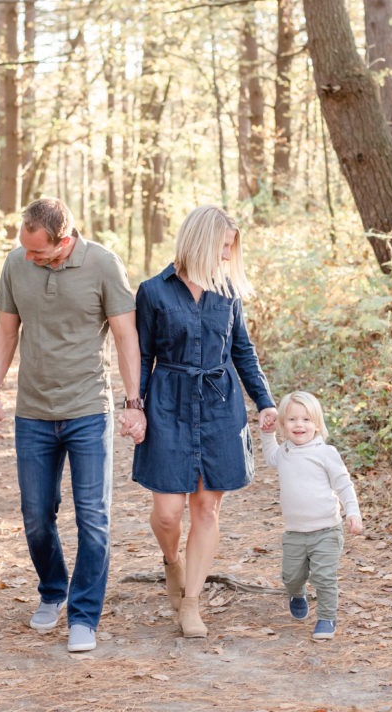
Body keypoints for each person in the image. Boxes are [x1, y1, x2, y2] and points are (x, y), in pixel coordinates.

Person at [0, 197, 145, 653]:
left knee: (93, 518)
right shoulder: (16, 263)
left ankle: (85, 616)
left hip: (88, 410)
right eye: (26, 250)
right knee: (36, 518)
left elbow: (127, 335)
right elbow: (6, 331)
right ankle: (54, 590)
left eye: (40, 253)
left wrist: (134, 402)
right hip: (32, 412)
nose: (30, 259)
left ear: (64, 240)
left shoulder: (104, 265)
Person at [132, 204, 277, 639]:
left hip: (219, 404)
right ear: (200, 242)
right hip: (167, 402)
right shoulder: (153, 291)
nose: (228, 257)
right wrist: (134, 405)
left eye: (232, 249)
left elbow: (243, 351)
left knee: (207, 508)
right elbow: (141, 355)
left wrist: (264, 401)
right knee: (166, 512)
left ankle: (192, 603)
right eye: (223, 247)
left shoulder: (227, 290)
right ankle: (171, 561)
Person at [260, 390, 363, 641]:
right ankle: (297, 594)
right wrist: (267, 431)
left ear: (317, 423)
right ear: (284, 424)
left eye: (306, 419)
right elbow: (269, 455)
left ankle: (327, 618)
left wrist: (353, 510)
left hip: (327, 530)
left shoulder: (325, 453)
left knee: (324, 577)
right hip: (295, 532)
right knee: (291, 577)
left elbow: (343, 484)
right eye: (293, 419)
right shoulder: (284, 452)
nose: (299, 425)